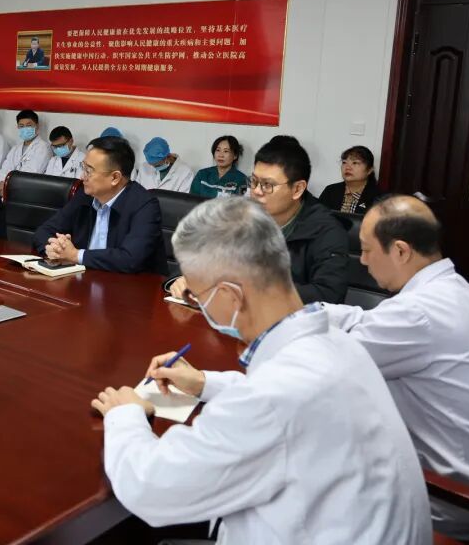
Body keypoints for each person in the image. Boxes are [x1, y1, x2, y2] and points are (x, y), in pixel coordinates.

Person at [91, 197, 431, 544]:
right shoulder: (340, 344)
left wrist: (126, 414)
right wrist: (204, 383)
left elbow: (150, 488)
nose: (199, 305)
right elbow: (283, 400)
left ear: (231, 296)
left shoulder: (271, 399)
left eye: (197, 296)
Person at [324, 195, 469, 542]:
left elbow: (329, 366)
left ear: (401, 251)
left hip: (450, 501)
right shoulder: (449, 288)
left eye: (366, 250)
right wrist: (305, 311)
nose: (362, 261)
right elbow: (367, 320)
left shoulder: (419, 312)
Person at [169, 137, 350, 304]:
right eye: (254, 182)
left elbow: (329, 295)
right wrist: (183, 279)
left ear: (297, 189)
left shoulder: (327, 231)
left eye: (267, 185)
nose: (256, 191)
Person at [32, 136, 166, 274]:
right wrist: (54, 249)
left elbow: (131, 259)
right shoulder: (85, 195)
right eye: (83, 167)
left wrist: (76, 255)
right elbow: (44, 231)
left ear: (115, 177)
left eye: (89, 171)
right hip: (85, 279)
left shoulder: (145, 205)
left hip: (129, 284)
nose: (82, 177)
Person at [319, 145, 383, 215]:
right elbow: (318, 217)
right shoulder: (330, 191)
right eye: (344, 162)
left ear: (369, 170)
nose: (347, 167)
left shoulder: (379, 198)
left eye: (355, 163)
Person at [0, 110, 52, 187]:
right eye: (21, 126)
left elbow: (32, 173)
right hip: (8, 187)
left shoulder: (43, 148)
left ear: (37, 126)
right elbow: (5, 169)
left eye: (29, 125)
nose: (25, 129)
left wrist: (8, 185)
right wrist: (1, 182)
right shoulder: (16, 148)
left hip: (28, 189)